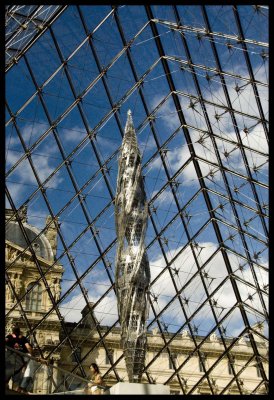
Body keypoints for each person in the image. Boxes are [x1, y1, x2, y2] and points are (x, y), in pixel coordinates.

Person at [5, 325, 33, 393]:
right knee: (16, 384)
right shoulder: (23, 338)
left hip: (8, 360)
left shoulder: (9, 336)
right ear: (19, 332)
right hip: (19, 361)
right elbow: (28, 347)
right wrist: (31, 354)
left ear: (13, 331)